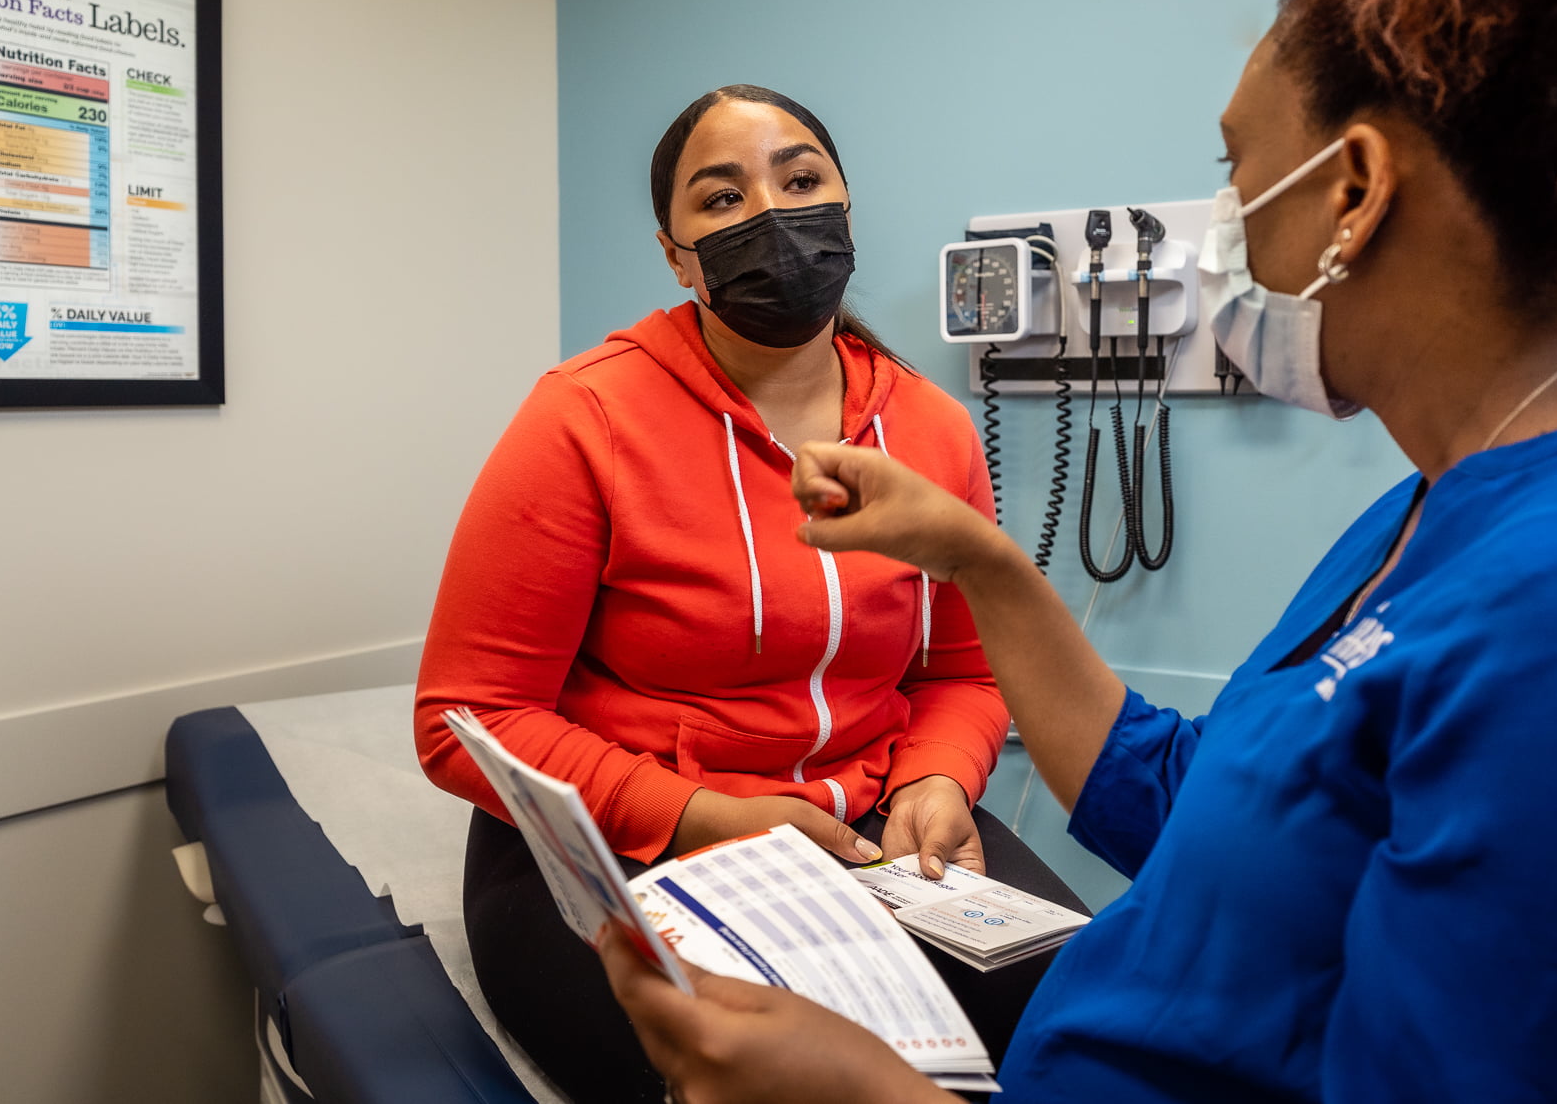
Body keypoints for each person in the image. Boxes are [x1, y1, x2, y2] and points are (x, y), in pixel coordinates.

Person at [596, 0, 1557, 1100]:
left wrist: (870, 1096)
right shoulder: (1449, 502)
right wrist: (975, 556)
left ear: (1355, 190)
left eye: (1238, 170)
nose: (1217, 235)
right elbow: (1216, 808)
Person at [414, 84, 1079, 1102]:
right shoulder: (582, 418)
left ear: (844, 207)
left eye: (800, 179)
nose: (771, 214)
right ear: (674, 255)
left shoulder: (933, 430)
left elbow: (963, 666)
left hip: (871, 829)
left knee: (1088, 1024)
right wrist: (702, 815)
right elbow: (466, 720)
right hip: (626, 842)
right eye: (720, 199)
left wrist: (938, 779)